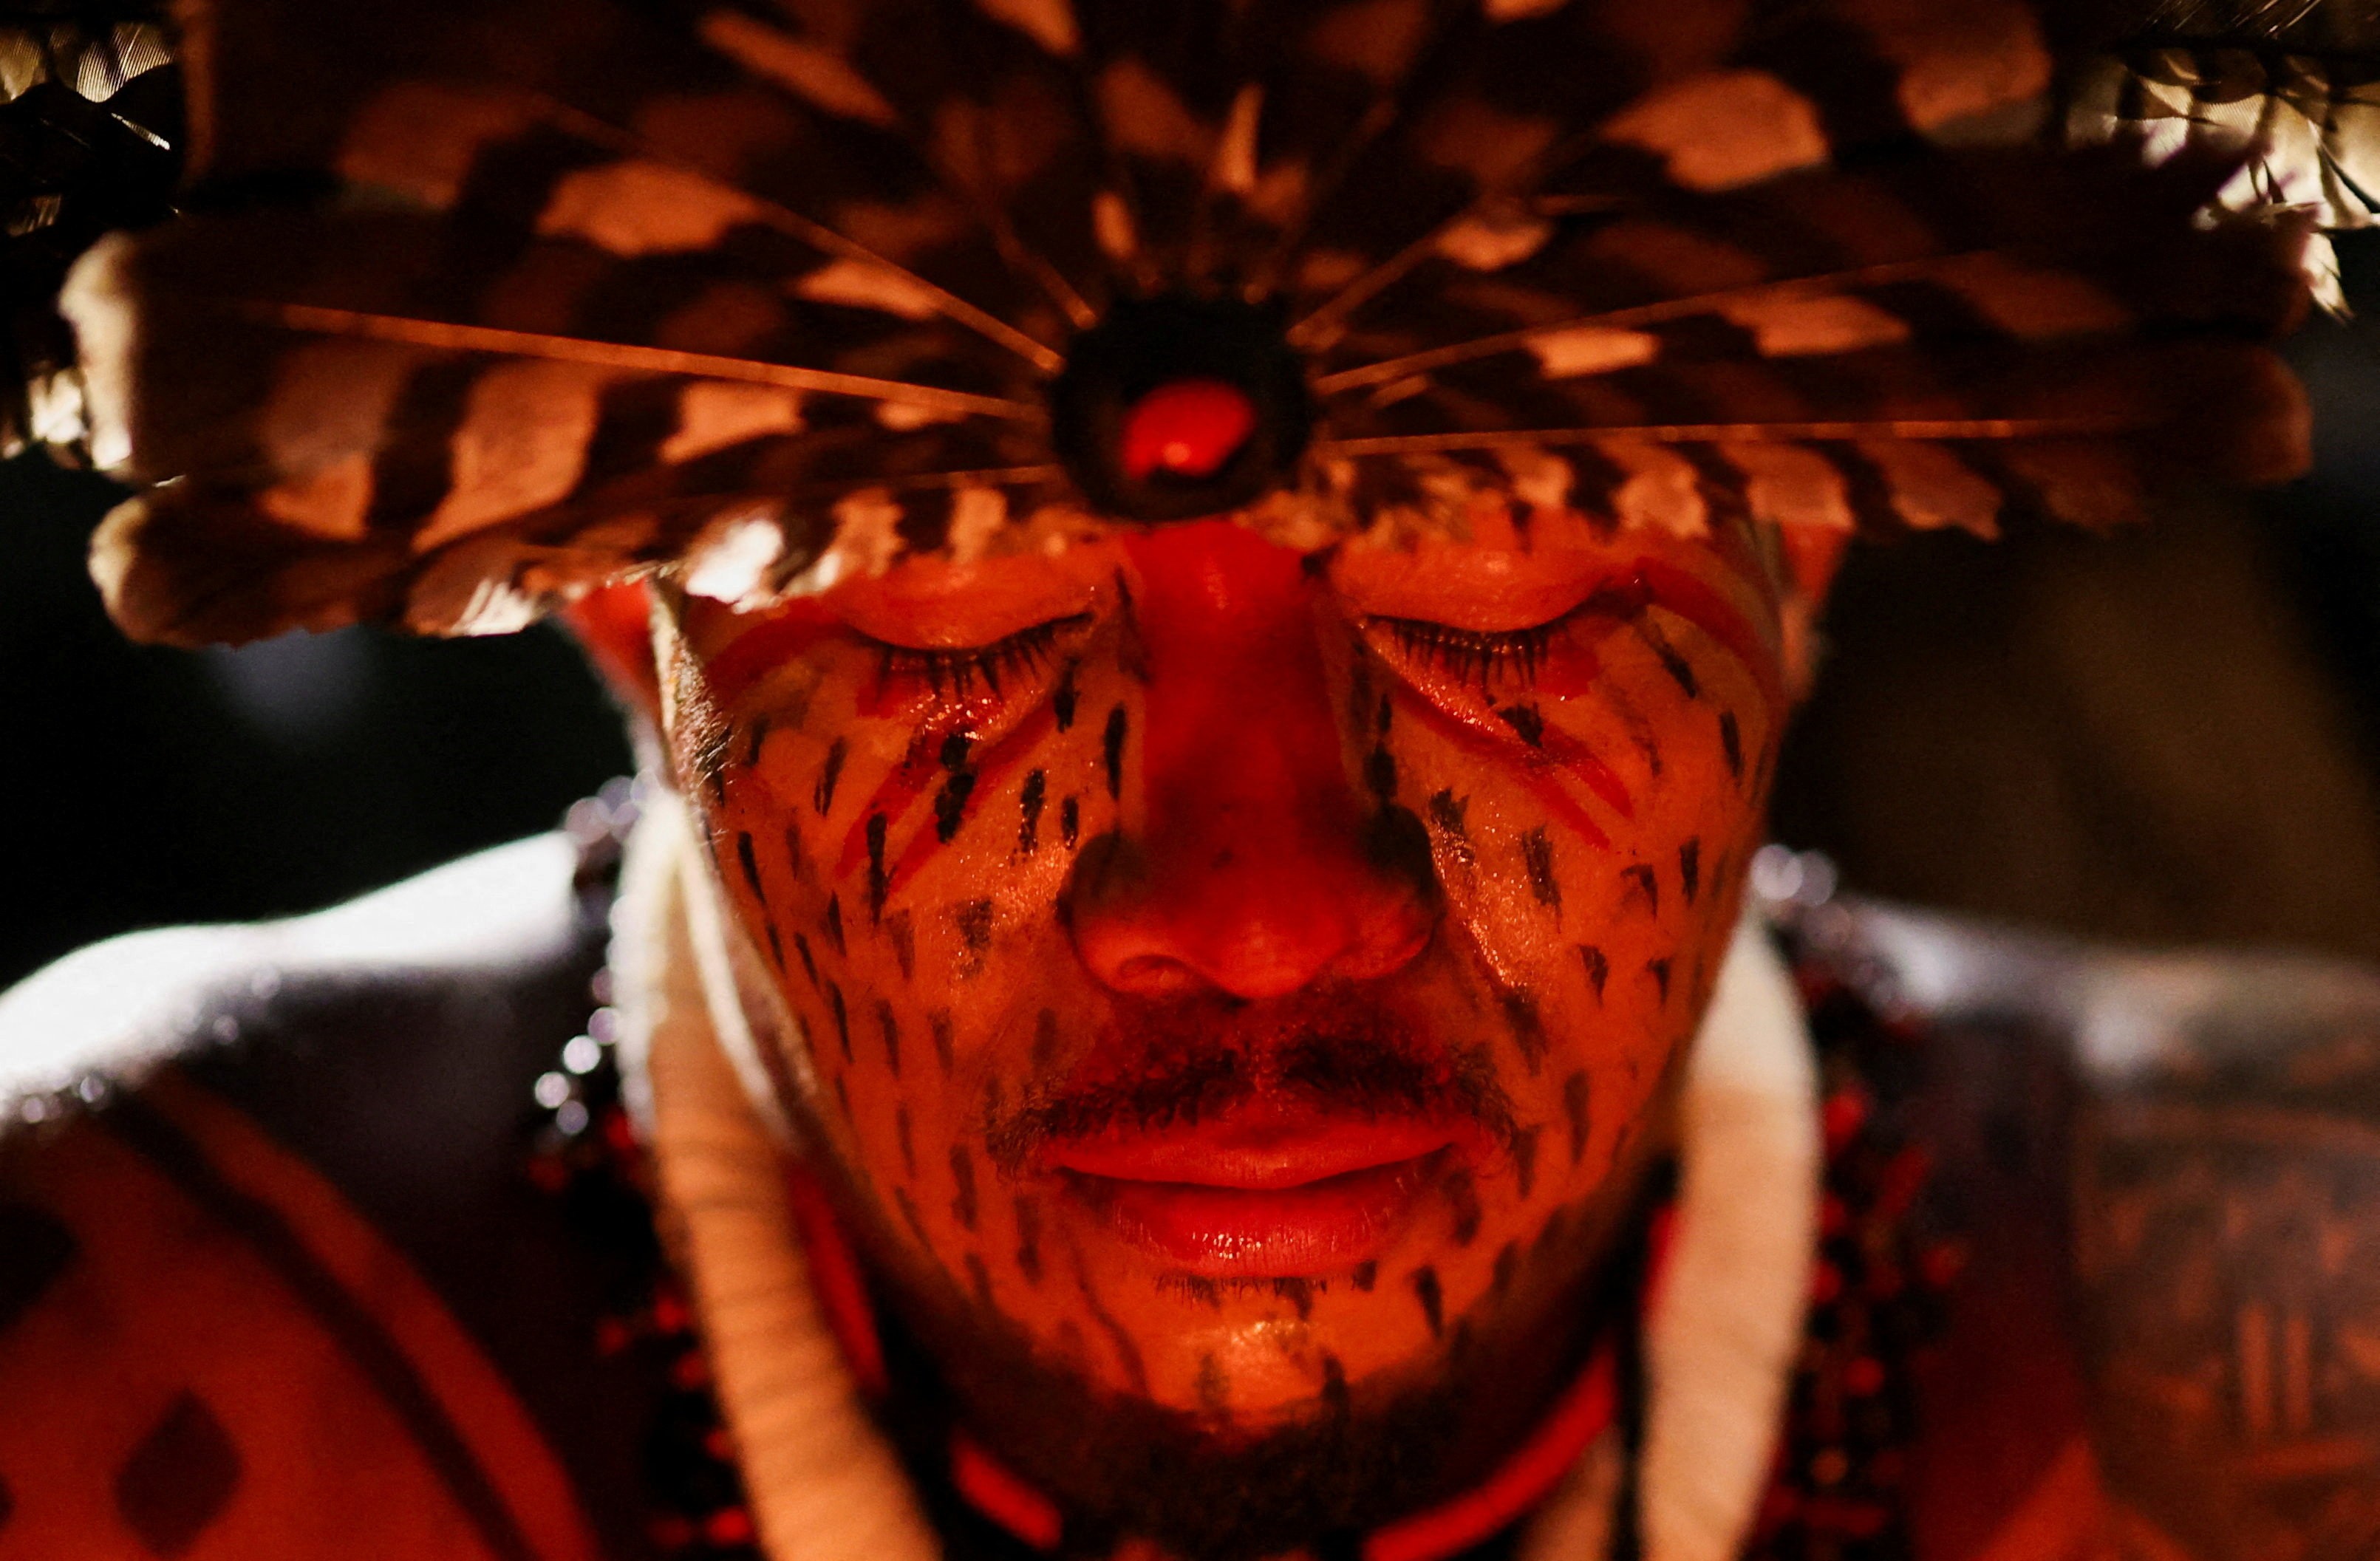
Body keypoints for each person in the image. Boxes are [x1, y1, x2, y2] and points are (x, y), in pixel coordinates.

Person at [5, 3, 2380, 1559]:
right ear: (626, 592)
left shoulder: (2308, 1367)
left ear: (1825, 520)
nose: (1257, 900)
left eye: (1496, 595)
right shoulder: (107, 1374)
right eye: (972, 616)